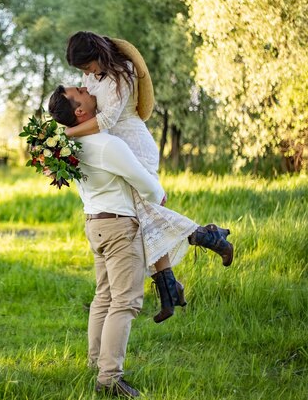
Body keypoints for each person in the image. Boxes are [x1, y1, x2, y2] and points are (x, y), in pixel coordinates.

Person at [52, 31, 234, 323]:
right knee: (146, 219)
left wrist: (64, 135)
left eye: (87, 67)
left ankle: (206, 243)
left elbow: (107, 119)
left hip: (132, 145)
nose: (86, 75)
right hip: (115, 149)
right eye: (82, 72)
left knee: (147, 214)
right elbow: (84, 113)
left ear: (97, 55)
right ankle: (172, 284)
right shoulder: (92, 79)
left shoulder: (122, 72)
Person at [47, 91, 165, 397]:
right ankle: (109, 377)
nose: (86, 90)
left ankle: (95, 364)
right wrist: (160, 197)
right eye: (79, 93)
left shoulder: (73, 148)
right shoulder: (108, 144)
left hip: (95, 224)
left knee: (104, 296)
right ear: (81, 112)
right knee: (125, 301)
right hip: (119, 226)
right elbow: (146, 183)